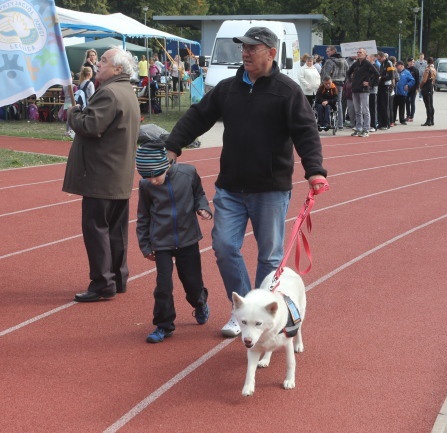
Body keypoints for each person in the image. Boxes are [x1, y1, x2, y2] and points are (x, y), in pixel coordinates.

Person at [163, 26, 328, 338]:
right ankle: (242, 310)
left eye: (253, 47)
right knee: (224, 247)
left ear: (271, 52)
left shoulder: (287, 91)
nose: (246, 53)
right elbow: (198, 116)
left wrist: (314, 170)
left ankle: (265, 316)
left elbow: (306, 132)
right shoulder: (227, 89)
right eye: (244, 48)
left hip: (271, 189)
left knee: (269, 257)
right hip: (231, 188)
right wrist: (172, 146)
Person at [63, 47, 140, 302]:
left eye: (104, 61)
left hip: (102, 175)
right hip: (117, 174)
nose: (99, 65)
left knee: (96, 229)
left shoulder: (108, 93)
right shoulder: (126, 91)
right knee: (116, 230)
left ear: (118, 69)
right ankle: (117, 278)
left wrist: (72, 112)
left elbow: (90, 126)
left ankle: (102, 283)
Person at [136, 141, 212, 343]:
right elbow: (143, 217)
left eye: (154, 175)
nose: (151, 181)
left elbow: (199, 195)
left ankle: (200, 302)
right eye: (146, 176)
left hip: (188, 240)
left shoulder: (188, 174)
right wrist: (145, 246)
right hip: (162, 243)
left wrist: (203, 208)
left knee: (192, 283)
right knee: (163, 286)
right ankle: (163, 325)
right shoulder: (146, 186)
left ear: (165, 165)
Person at [347, 47, 379, 137]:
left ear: (365, 54)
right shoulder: (355, 64)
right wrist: (351, 81)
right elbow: (348, 73)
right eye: (357, 52)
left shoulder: (367, 63)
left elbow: (377, 74)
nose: (358, 54)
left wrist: (370, 83)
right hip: (355, 89)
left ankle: (366, 129)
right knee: (357, 110)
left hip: (364, 90)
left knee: (365, 110)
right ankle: (358, 128)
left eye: (360, 52)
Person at [321, 46, 348, 130]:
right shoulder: (344, 60)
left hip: (331, 84)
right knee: (339, 102)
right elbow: (348, 71)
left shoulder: (329, 61)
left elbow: (326, 74)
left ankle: (326, 121)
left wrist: (323, 83)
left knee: (327, 101)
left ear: (333, 51)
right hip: (340, 83)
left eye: (328, 51)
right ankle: (340, 123)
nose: (327, 53)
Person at [376, 51, 394, 130]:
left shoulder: (388, 63)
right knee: (380, 105)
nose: (378, 60)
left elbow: (391, 75)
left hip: (386, 86)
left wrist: (382, 77)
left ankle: (386, 123)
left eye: (379, 58)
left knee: (385, 105)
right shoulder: (382, 64)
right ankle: (381, 123)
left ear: (382, 57)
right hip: (381, 85)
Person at [393, 61, 415, 125]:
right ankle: (393, 120)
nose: (396, 67)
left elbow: (412, 80)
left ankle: (402, 119)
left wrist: (408, 85)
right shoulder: (395, 72)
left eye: (398, 66)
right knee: (394, 107)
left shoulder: (407, 72)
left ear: (402, 66)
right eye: (396, 66)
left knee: (402, 107)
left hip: (402, 93)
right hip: (395, 92)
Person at [419, 57, 436, 126]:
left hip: (426, 87)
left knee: (427, 105)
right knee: (431, 104)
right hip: (431, 87)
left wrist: (420, 86)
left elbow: (424, 80)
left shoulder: (428, 69)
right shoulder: (434, 69)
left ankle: (428, 120)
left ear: (427, 62)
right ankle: (432, 120)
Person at [405, 57, 419, 122]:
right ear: (408, 62)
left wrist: (417, 88)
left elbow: (417, 80)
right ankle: (407, 115)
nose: (412, 63)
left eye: (413, 62)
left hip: (413, 89)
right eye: (411, 62)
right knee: (407, 102)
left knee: (412, 102)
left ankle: (411, 116)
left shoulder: (415, 70)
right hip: (407, 89)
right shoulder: (405, 69)